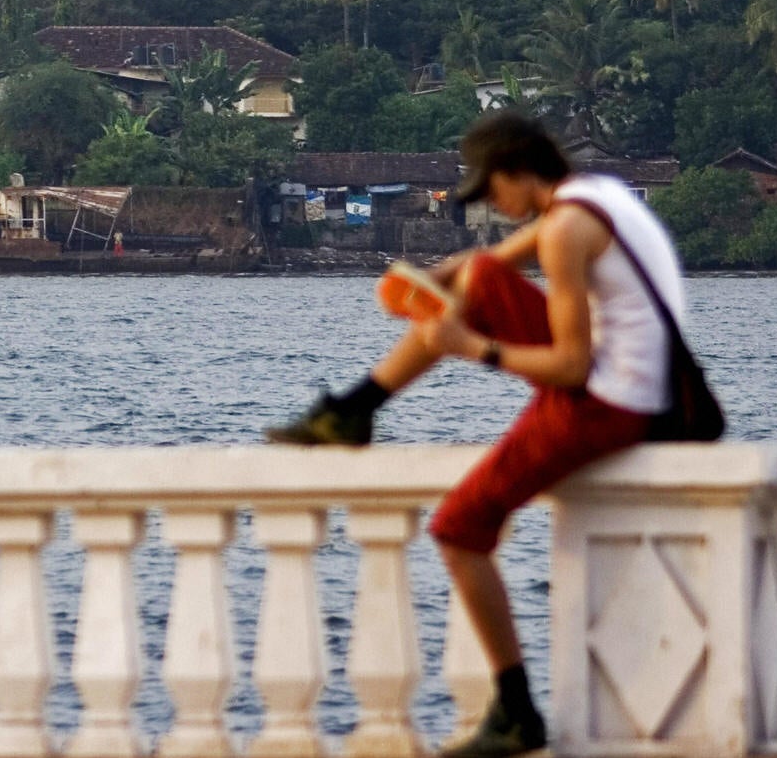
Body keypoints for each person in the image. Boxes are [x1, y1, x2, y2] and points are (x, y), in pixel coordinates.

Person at [265, 111, 688, 758]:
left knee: (458, 528)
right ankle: (357, 407)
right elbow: (485, 263)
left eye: (494, 190)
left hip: (608, 402)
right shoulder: (588, 197)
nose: (494, 204)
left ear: (520, 172)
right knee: (482, 278)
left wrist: (475, 347)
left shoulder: (567, 229)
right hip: (628, 384)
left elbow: (573, 366)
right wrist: (432, 281)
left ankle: (516, 709)